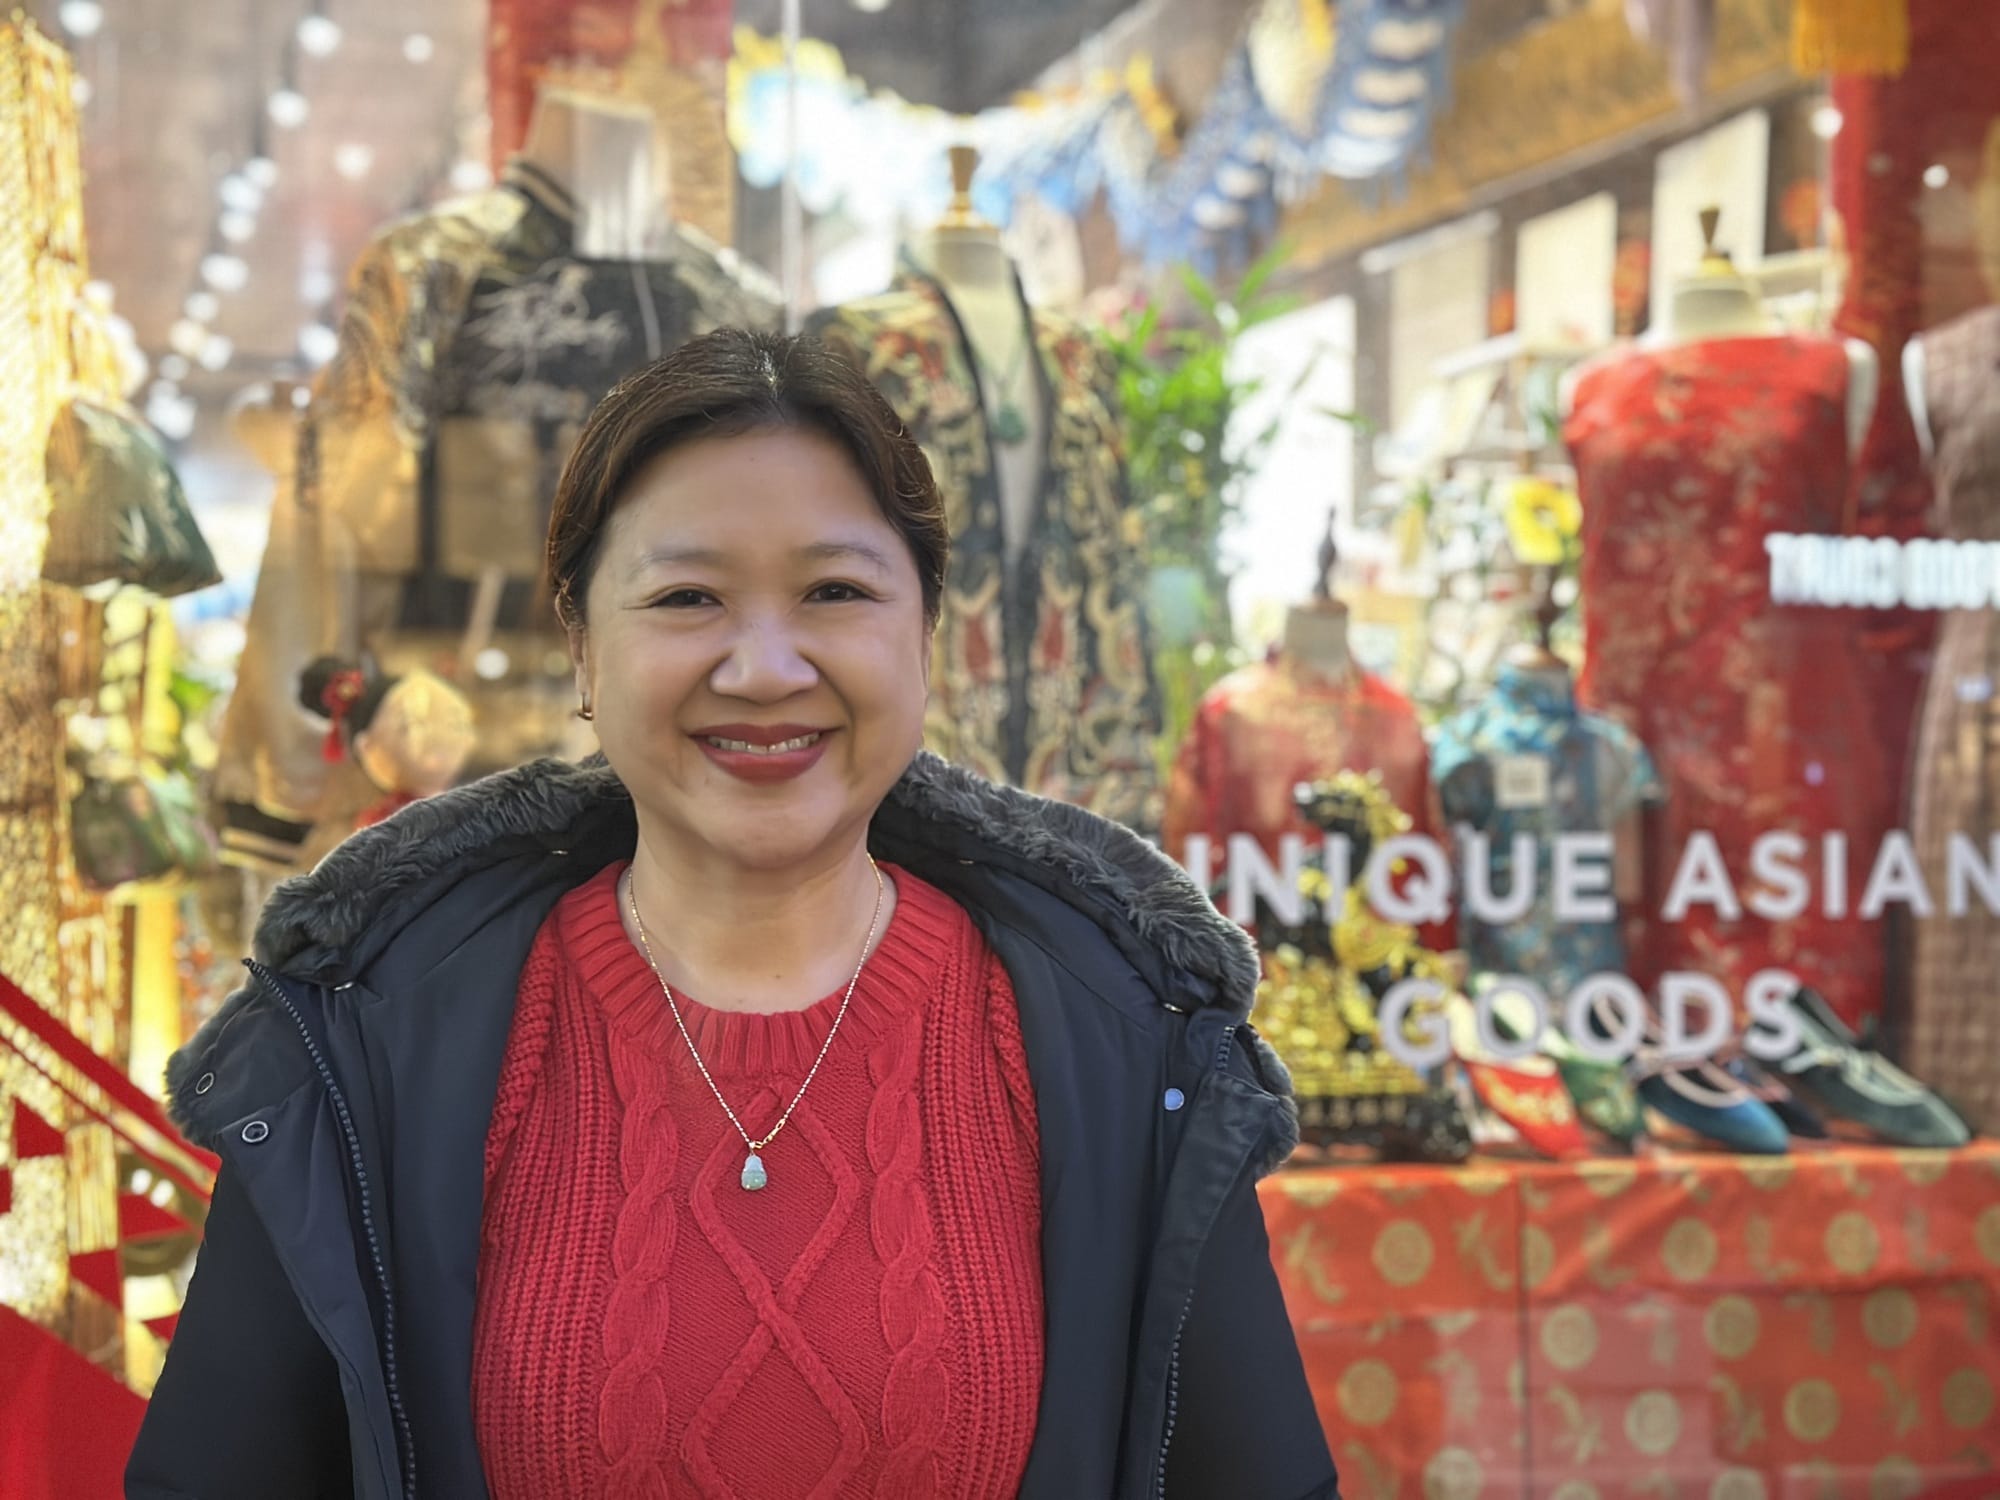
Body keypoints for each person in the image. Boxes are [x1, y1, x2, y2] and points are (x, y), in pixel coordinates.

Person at [126, 329, 1338, 1500]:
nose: (763, 666)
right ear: (582, 650)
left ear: (924, 639)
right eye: (688, 597)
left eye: (833, 590)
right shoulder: (368, 1040)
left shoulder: (1126, 1041)